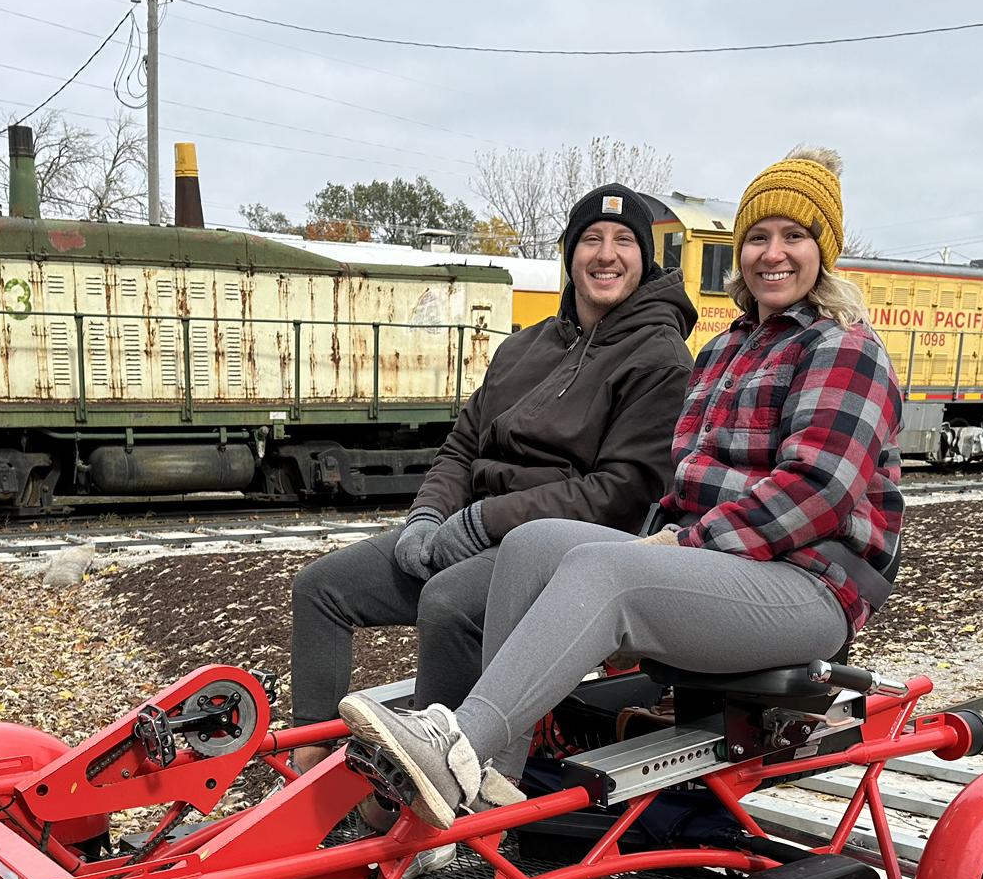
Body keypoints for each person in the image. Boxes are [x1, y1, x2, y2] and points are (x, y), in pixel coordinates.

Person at [337, 147, 904, 831]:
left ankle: (455, 749)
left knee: (608, 570)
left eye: (794, 238)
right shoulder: (728, 349)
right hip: (723, 566)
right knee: (537, 542)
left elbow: (814, 493)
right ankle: (493, 779)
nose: (772, 254)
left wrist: (678, 546)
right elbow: (684, 481)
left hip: (807, 586)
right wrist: (664, 539)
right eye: (758, 237)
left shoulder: (844, 348)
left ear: (824, 253)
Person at [289, 182, 697, 785]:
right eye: (591, 239)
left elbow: (619, 493)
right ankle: (307, 776)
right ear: (569, 253)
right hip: (465, 528)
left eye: (623, 241)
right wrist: (427, 517)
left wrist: (484, 522)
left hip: (562, 546)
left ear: (644, 258)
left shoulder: (658, 357)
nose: (606, 254)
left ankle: (434, 793)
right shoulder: (524, 346)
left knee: (449, 603)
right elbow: (462, 446)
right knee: (322, 588)